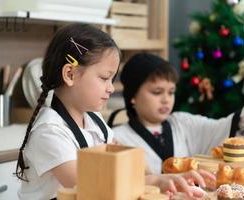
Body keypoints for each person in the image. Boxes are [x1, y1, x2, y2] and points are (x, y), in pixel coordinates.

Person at [15, 24, 215, 200]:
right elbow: (94, 189)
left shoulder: (95, 122)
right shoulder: (49, 131)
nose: (111, 88)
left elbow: (126, 173)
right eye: (104, 78)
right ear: (70, 74)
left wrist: (167, 180)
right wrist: (155, 182)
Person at [110, 53, 244, 175]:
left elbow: (231, 127)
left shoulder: (184, 123)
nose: (166, 100)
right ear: (132, 96)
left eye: (171, 92)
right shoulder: (116, 139)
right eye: (157, 92)